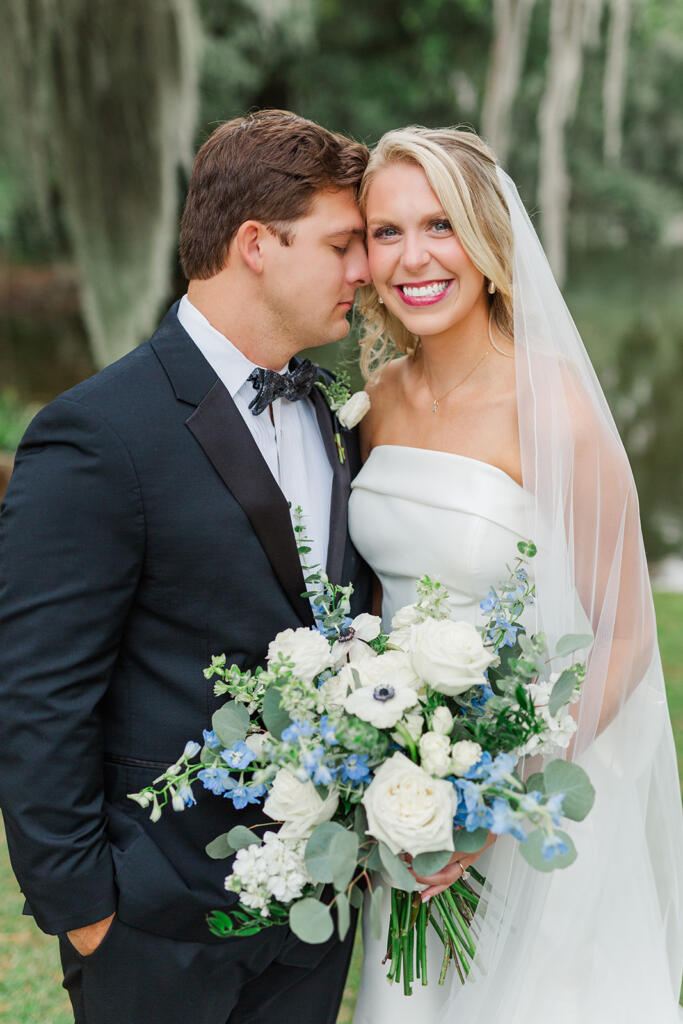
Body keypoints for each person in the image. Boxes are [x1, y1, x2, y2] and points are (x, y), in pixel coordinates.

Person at [0, 110, 373, 1024]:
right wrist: (88, 913)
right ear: (255, 243)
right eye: (342, 244)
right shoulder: (98, 433)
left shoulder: (334, 413)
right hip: (154, 931)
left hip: (311, 922)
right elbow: (35, 692)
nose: (366, 271)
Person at [348, 126, 683, 1022]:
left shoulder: (557, 410)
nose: (413, 257)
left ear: (490, 244)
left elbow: (625, 630)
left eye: (440, 226)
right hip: (406, 795)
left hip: (531, 791)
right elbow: (378, 605)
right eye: (386, 232)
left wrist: (500, 789)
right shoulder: (375, 406)